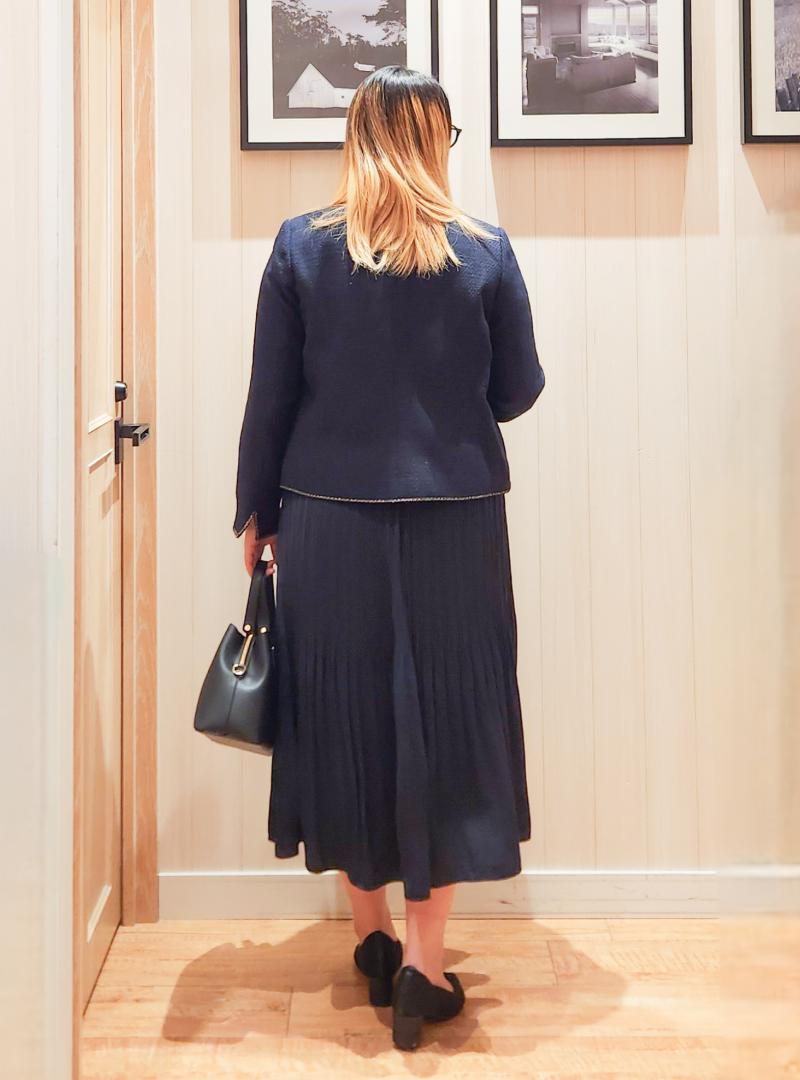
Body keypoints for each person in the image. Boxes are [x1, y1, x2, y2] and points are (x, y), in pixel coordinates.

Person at [232, 65, 545, 1052]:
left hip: (325, 519)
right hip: (456, 518)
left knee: (344, 712)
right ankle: (423, 966)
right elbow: (517, 390)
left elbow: (270, 397)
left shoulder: (300, 246)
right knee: (449, 719)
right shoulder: (485, 250)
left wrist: (255, 512)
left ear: (355, 139)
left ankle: (369, 938)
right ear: (435, 141)